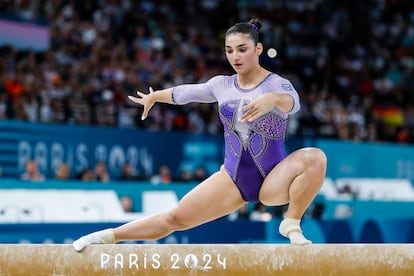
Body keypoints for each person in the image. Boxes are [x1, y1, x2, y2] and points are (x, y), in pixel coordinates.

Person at [73, 18, 327, 251]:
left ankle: (291, 221)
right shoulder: (222, 85)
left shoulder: (275, 84)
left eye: (242, 49)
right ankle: (107, 237)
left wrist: (272, 99)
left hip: (273, 179)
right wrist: (155, 96)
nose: (235, 57)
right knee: (175, 218)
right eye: (229, 51)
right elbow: (187, 93)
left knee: (315, 158)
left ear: (258, 49)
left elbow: (293, 103)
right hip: (232, 179)